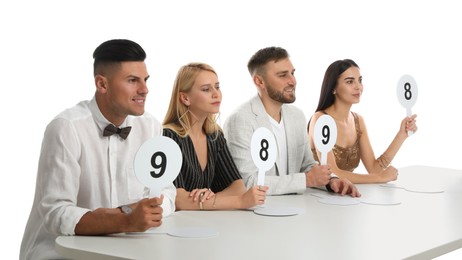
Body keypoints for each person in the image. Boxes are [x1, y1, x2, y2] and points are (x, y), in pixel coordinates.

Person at [20, 39, 176, 260]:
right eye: (132, 80)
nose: (145, 89)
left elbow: (166, 191)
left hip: (125, 249)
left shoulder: (150, 126)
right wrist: (126, 218)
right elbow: (56, 213)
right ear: (102, 84)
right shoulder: (66, 128)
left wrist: (146, 211)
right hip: (61, 252)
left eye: (145, 80)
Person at [223, 47, 360, 197]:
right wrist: (305, 181)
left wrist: (332, 181)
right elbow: (246, 182)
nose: (292, 81)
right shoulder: (240, 120)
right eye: (282, 75)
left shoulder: (297, 116)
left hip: (296, 210)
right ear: (259, 81)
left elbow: (307, 165)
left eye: (292, 73)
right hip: (257, 214)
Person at [163, 62, 268, 210]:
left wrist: (207, 199)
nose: (216, 94)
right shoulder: (169, 137)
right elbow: (178, 199)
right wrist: (239, 202)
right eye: (206, 89)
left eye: (217, 87)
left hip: (210, 222)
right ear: (185, 98)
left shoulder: (215, 136)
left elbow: (238, 187)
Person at [307, 59, 417, 184]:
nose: (358, 87)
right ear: (333, 88)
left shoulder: (358, 121)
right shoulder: (320, 119)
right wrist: (380, 178)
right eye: (350, 82)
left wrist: (401, 135)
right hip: (316, 198)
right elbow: (333, 172)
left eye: (360, 80)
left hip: (345, 197)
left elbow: (374, 169)